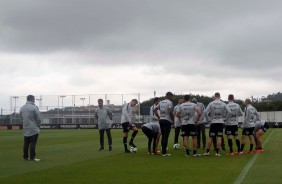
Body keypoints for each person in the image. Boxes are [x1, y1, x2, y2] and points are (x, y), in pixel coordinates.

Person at [203, 92, 231, 157]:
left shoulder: (211, 103)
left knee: (211, 137)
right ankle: (217, 152)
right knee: (219, 137)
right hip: (220, 122)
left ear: (215, 96)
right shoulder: (223, 104)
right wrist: (225, 119)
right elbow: (229, 112)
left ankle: (207, 152)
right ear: (220, 96)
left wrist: (208, 120)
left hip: (213, 122)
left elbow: (205, 112)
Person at [19, 95, 41, 162]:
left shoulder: (22, 108)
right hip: (33, 128)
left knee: (26, 143)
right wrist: (38, 126)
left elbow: (21, 117)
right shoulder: (34, 107)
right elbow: (38, 118)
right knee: (33, 143)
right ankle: (32, 157)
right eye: (34, 99)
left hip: (26, 127)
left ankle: (25, 157)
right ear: (32, 99)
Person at [154, 92, 174, 156]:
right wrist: (173, 119)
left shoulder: (161, 102)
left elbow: (154, 110)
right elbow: (170, 111)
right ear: (169, 96)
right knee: (166, 136)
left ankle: (163, 151)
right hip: (167, 120)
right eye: (171, 97)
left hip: (161, 120)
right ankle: (164, 152)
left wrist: (159, 117)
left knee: (163, 135)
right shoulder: (169, 102)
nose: (171, 98)